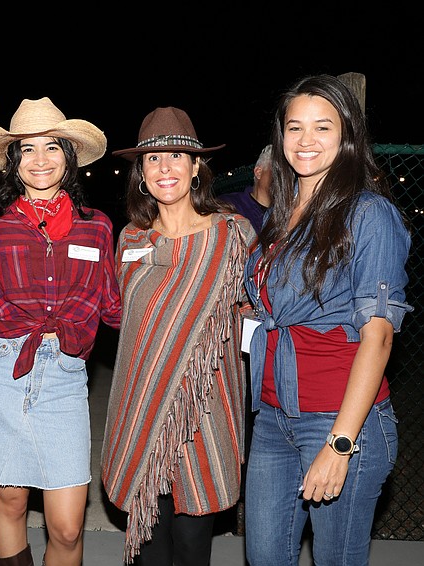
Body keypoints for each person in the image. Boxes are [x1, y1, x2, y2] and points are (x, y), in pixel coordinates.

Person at [243, 74, 412, 566]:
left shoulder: (368, 214)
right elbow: (283, 307)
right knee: (264, 558)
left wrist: (341, 444)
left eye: (323, 127)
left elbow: (377, 337)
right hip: (274, 419)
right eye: (295, 128)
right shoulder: (284, 212)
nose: (306, 140)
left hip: (338, 422)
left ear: (347, 137)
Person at [0, 97, 121, 566]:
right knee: (9, 505)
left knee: (68, 527)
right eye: (27, 150)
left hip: (65, 376)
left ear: (68, 158)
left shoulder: (97, 228)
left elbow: (114, 305)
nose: (40, 160)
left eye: (52, 147)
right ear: (13, 161)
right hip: (1, 370)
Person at [101, 106, 257, 564]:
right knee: (149, 543)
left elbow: (254, 312)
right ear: (141, 173)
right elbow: (127, 329)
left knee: (191, 547)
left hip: (204, 413)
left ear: (195, 168)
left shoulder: (233, 236)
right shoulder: (130, 239)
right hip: (141, 407)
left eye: (175, 156)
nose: (164, 167)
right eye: (152, 159)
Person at [218, 143, 273, 233]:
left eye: (288, 173)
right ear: (258, 172)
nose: (284, 177)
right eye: (277, 171)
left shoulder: (289, 214)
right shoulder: (229, 206)